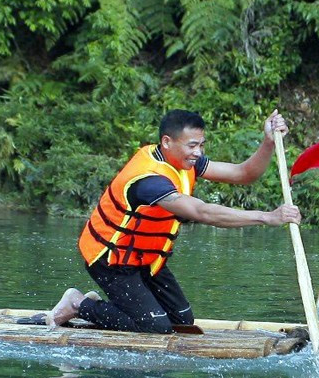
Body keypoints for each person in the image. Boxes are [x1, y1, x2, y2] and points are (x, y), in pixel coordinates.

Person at [50, 109, 299, 333]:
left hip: (145, 258)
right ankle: (78, 303)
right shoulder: (148, 180)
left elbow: (243, 174)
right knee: (155, 327)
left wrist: (268, 142)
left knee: (182, 322)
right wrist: (266, 217)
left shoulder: (183, 161)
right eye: (192, 146)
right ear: (167, 142)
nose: (198, 153)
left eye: (201, 145)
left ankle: (122, 308)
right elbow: (202, 212)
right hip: (110, 259)